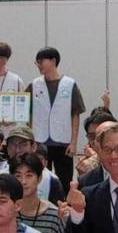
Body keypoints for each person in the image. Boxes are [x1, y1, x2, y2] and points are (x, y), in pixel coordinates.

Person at [30, 46, 85, 184]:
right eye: (37, 62)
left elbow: (75, 114)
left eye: (41, 61)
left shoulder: (70, 84)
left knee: (65, 181)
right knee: (41, 180)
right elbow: (24, 110)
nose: (39, 65)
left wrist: (74, 142)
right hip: (40, 142)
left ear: (53, 61)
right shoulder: (34, 84)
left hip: (63, 142)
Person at [9, 152, 64, 233]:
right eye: (18, 176)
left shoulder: (54, 215)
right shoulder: (6, 212)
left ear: (39, 178)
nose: (23, 181)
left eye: (29, 175)